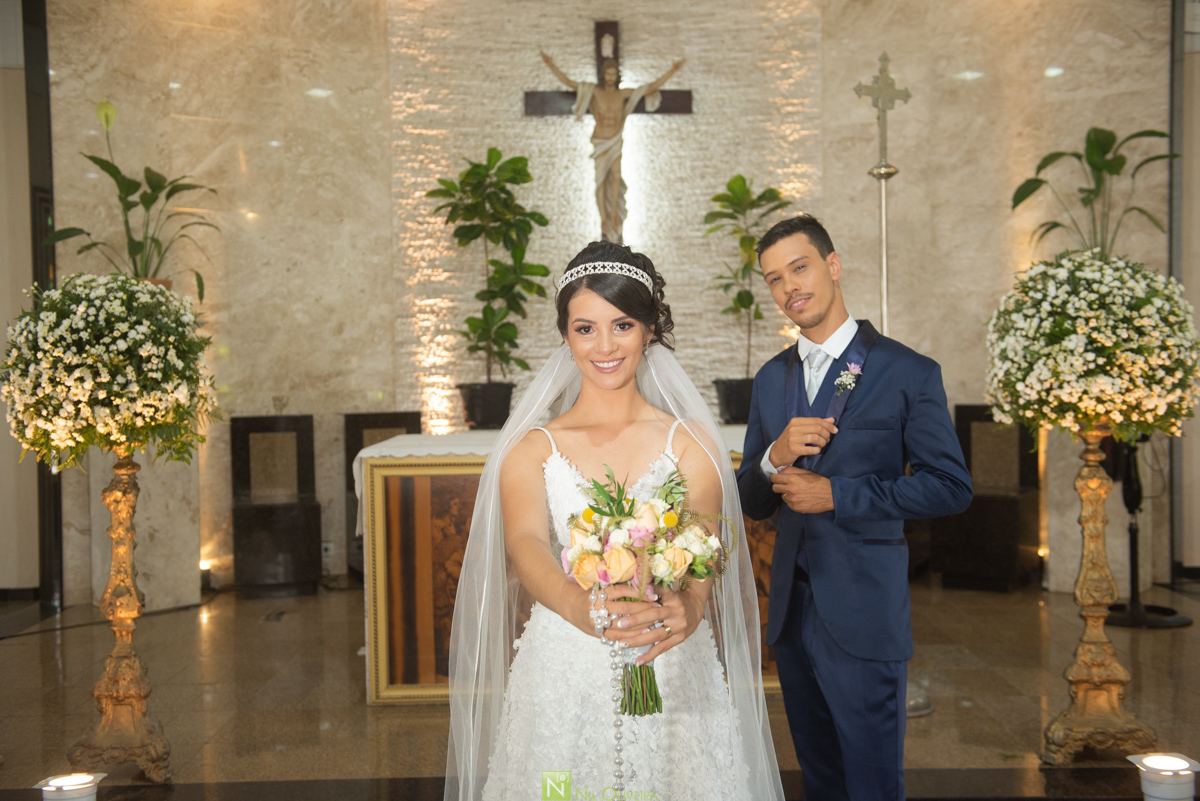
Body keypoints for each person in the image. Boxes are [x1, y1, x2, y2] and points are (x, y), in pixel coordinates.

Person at [445, 240, 784, 801]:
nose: (604, 346)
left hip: (671, 657)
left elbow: (704, 533)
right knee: (561, 786)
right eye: (585, 328)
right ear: (565, 335)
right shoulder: (534, 448)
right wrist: (577, 604)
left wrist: (693, 605)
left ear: (649, 329)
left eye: (622, 325)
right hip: (564, 659)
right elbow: (525, 541)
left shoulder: (690, 441)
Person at [737, 215, 973, 800]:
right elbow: (750, 497)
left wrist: (839, 494)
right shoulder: (770, 379)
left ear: (833, 265)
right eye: (773, 278)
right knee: (818, 777)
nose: (789, 286)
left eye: (800, 267)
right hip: (791, 614)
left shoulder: (907, 372)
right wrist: (774, 455)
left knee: (871, 781)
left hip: (865, 608)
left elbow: (950, 486)